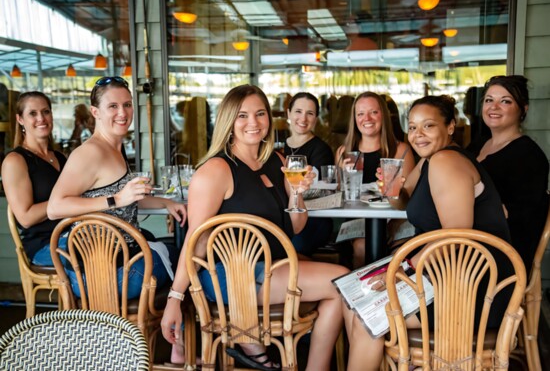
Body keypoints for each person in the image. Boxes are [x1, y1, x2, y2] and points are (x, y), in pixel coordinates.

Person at [160, 85, 350, 371]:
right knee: (341, 285)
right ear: (228, 121)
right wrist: (175, 297)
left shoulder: (277, 160)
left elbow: (295, 228)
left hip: (269, 266)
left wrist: (297, 192)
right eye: (243, 116)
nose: (253, 122)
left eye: (260, 113)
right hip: (229, 275)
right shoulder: (216, 170)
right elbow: (196, 241)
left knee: (342, 287)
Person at [346, 95, 513, 370]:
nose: (417, 135)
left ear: (450, 127)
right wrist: (392, 189)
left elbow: (454, 238)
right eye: (412, 127)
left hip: (474, 287)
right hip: (448, 273)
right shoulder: (429, 160)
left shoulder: (446, 161)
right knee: (355, 300)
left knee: (367, 318)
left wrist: (402, 271)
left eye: (428, 126)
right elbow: (403, 200)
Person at [47, 76, 187, 301]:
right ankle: (166, 329)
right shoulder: (89, 153)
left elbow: (125, 198)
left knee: (167, 248)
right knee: (183, 260)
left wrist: (167, 203)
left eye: (127, 104)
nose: (122, 113)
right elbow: (54, 208)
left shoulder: (113, 148)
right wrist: (116, 200)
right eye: (113, 106)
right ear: (95, 112)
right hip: (106, 276)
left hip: (116, 265)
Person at [474, 75, 549, 271]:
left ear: (523, 109)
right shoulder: (477, 145)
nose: (494, 107)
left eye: (505, 101)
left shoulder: (528, 155)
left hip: (501, 257)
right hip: (472, 244)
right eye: (489, 100)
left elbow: (522, 218)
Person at [335, 91, 415, 267]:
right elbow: (342, 200)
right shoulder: (343, 152)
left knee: (400, 255)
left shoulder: (401, 151)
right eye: (360, 113)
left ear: (383, 115)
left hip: (396, 221)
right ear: (354, 119)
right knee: (362, 248)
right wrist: (342, 176)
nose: (367, 118)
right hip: (357, 220)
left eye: (374, 112)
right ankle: (358, 294)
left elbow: (408, 201)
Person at [1, 91, 67, 266]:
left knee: (124, 241)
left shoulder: (60, 157)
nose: (41, 118)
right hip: (44, 245)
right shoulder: (15, 161)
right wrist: (63, 202)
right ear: (20, 119)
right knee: (96, 251)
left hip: (72, 234)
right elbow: (26, 218)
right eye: (33, 113)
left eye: (46, 112)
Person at [283, 92, 334, 256]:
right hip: (283, 217)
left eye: (310, 113)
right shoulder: (275, 147)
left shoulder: (321, 150)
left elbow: (324, 194)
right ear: (288, 113)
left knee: (287, 248)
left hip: (313, 220)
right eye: (298, 111)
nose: (303, 119)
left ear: (316, 118)